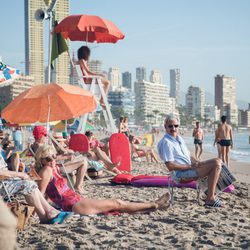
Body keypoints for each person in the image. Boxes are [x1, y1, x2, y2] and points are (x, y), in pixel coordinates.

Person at [36, 145, 170, 215]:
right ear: (41, 160)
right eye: (48, 158)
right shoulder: (46, 170)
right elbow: (40, 194)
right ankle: (154, 204)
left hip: (75, 201)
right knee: (117, 203)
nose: (52, 160)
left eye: (54, 156)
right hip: (73, 205)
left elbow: (48, 193)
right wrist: (44, 211)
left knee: (116, 206)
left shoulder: (53, 168)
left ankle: (150, 207)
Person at [157, 115, 223, 207]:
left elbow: (188, 156)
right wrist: (190, 166)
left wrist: (197, 162)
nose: (173, 128)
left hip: (189, 169)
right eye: (170, 126)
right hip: (180, 174)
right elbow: (170, 166)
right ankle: (210, 198)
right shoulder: (167, 143)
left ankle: (211, 195)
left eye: (176, 126)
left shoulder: (179, 139)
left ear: (178, 126)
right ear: (165, 127)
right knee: (216, 163)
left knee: (218, 161)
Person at [0, 153, 72, 224]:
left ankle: (48, 212)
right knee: (27, 185)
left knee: (30, 182)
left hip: (5, 181)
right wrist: (20, 174)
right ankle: (45, 216)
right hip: (2, 183)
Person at [31, 126, 87, 194]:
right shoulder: (40, 146)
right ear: (40, 136)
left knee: (79, 157)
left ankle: (78, 186)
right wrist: (66, 157)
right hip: (55, 168)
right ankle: (78, 186)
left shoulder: (35, 145)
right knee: (83, 161)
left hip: (52, 166)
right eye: (45, 135)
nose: (46, 137)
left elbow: (50, 157)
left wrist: (67, 153)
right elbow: (50, 159)